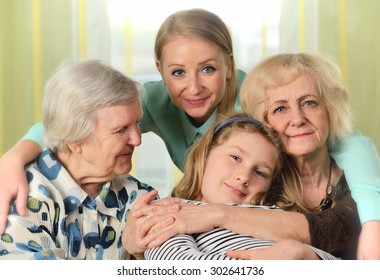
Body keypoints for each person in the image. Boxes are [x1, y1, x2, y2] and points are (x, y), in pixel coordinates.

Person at [0, 8, 379, 258]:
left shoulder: (255, 102)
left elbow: (348, 141)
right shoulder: (149, 100)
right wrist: (15, 156)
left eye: (208, 69)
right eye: (178, 72)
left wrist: (368, 227)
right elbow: (73, 121)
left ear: (229, 66)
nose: (193, 87)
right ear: (160, 69)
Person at [123, 53, 366, 260]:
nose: (297, 118)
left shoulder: (272, 212)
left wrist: (304, 256)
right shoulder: (179, 212)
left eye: (310, 103)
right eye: (280, 108)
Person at [0, 59, 159, 259]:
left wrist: (140, 257)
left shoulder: (137, 196)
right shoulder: (23, 199)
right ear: (75, 140)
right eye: (120, 130)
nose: (137, 140)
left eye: (137, 123)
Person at [141, 113, 338, 260]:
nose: (244, 177)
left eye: (260, 172)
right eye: (235, 157)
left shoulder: (274, 216)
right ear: (206, 154)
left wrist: (303, 254)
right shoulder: (174, 211)